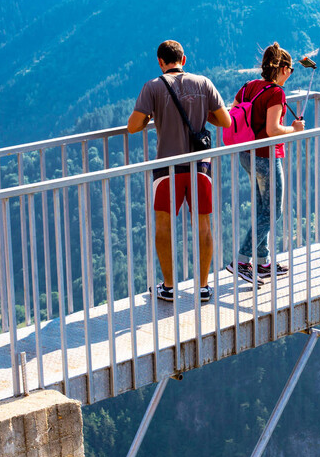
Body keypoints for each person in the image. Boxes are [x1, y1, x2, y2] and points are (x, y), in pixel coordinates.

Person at [127, 40, 231, 302]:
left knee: (163, 224)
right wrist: (203, 113)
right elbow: (226, 120)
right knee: (203, 224)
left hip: (167, 167)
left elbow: (133, 126)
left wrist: (152, 116)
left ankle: (170, 287)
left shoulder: (152, 87)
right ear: (184, 59)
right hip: (200, 165)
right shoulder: (203, 83)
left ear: (160, 62)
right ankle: (204, 286)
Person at [227, 42, 305, 284]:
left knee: (263, 208)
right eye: (290, 69)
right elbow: (272, 129)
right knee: (273, 212)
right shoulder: (276, 94)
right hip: (267, 157)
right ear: (282, 69)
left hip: (246, 154)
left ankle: (263, 262)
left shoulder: (248, 87)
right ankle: (241, 261)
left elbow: (237, 114)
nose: (291, 74)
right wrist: (293, 129)